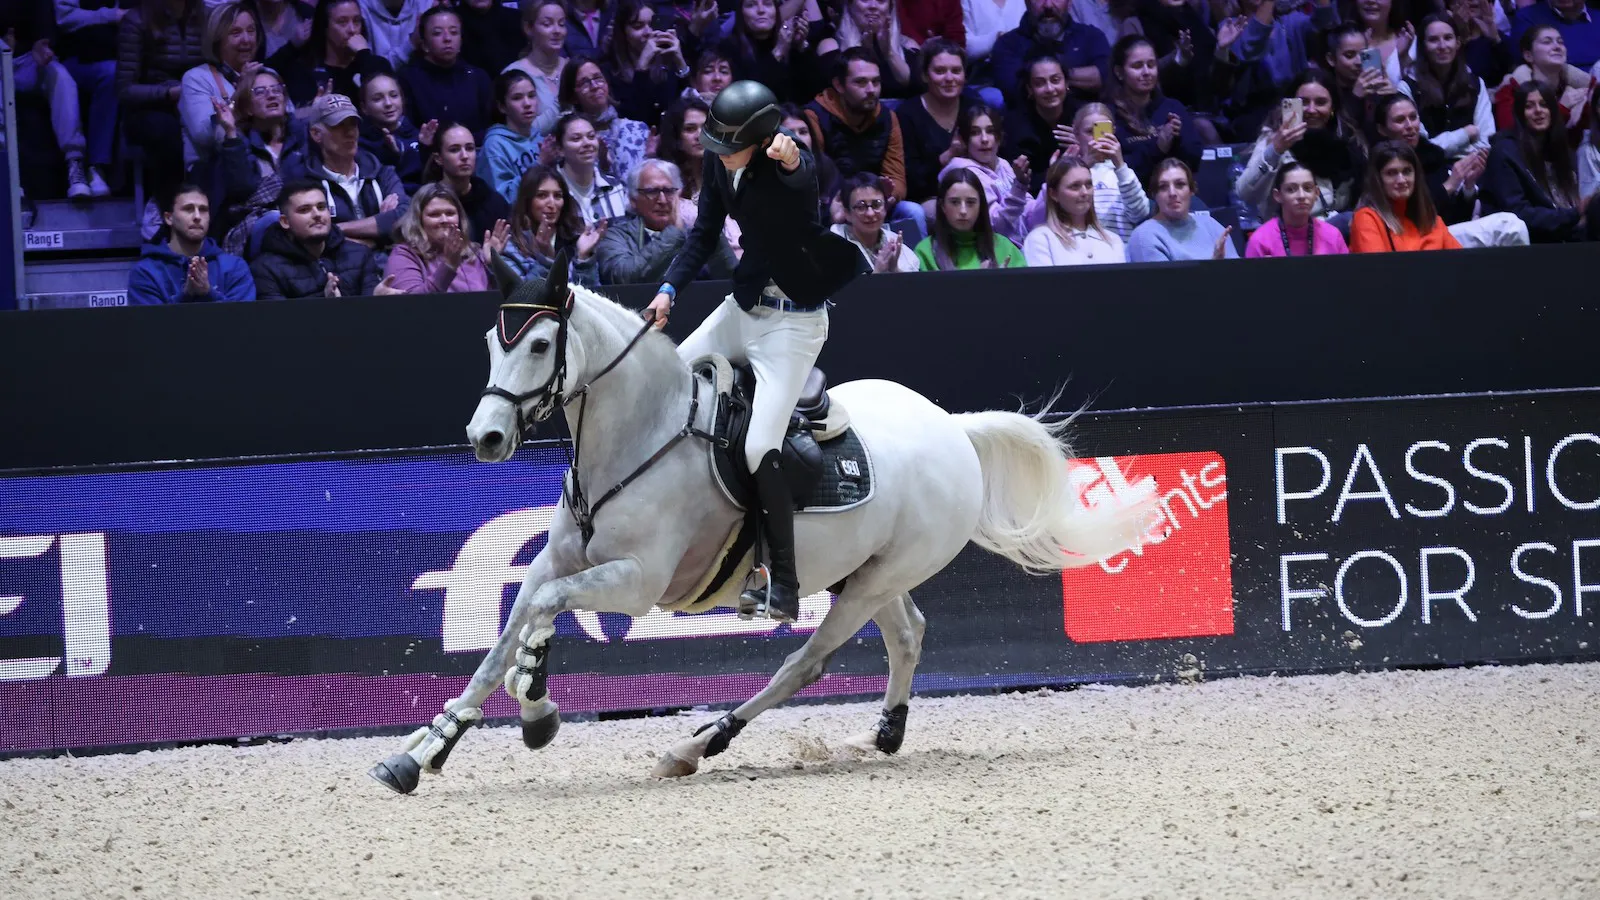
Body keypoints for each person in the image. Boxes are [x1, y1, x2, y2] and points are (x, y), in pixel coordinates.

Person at [644, 80, 870, 623]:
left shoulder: (793, 162)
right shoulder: (722, 165)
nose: (718, 156)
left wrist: (790, 156)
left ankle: (782, 581)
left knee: (760, 444)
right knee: (667, 379)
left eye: (729, 145)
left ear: (763, 136)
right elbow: (701, 236)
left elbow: (799, 179)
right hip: (742, 309)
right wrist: (668, 289)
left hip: (792, 327)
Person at [279, 92, 410, 252]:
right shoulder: (303, 181)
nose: (350, 133)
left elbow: (403, 216)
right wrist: (379, 233)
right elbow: (305, 236)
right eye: (339, 126)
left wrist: (333, 229)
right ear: (316, 134)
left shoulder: (381, 172)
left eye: (353, 124)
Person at [595, 158, 738, 284]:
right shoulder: (616, 236)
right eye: (652, 192)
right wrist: (674, 233)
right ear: (633, 200)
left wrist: (710, 228)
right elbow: (625, 278)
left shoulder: (697, 235)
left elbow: (731, 278)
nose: (662, 200)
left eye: (669, 191)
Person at [1482, 81, 1593, 242]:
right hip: (1527, 243)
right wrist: (1574, 214)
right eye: (1529, 106)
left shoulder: (1563, 152)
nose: (1538, 111)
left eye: (1544, 105)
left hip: (1566, 236)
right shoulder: (1504, 152)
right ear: (1520, 113)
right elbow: (1517, 213)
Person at [250, 178, 392, 298]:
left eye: (321, 207)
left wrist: (377, 300)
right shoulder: (265, 269)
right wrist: (323, 302)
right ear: (285, 222)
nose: (317, 214)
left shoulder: (359, 254)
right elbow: (276, 323)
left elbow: (370, 318)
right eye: (304, 210)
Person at [128, 185, 256, 304]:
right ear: (169, 218)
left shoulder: (234, 268)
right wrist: (185, 295)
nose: (197, 216)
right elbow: (149, 326)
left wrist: (208, 293)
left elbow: (242, 323)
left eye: (203, 210)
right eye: (188, 209)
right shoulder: (145, 272)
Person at [179, 1, 264, 169]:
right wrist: (240, 92)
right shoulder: (196, 78)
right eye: (236, 32)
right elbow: (204, 136)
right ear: (217, 39)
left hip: (263, 170)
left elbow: (287, 121)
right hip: (214, 176)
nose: (246, 39)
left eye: (251, 31)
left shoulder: (265, 75)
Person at [382, 183, 509, 293]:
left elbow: (499, 303)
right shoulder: (404, 255)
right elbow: (412, 306)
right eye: (434, 214)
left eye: (450, 213)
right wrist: (448, 266)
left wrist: (493, 265)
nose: (444, 220)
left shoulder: (474, 254)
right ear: (418, 220)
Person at [1405, 15, 1495, 159]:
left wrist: (1455, 156)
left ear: (1458, 43)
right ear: (1423, 46)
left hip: (1473, 169)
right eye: (1433, 40)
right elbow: (1422, 148)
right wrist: (1465, 134)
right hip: (1428, 172)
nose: (1442, 46)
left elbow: (1486, 143)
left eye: (1448, 38)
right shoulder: (1408, 87)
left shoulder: (1475, 83)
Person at [397, 5, 494, 139]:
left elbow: (491, 127)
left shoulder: (478, 77)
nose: (447, 38)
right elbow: (408, 130)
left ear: (461, 40)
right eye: (437, 33)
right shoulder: (408, 79)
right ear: (424, 44)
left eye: (454, 32)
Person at [1348, 140, 1464, 252]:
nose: (1401, 180)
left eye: (1407, 171)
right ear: (1377, 180)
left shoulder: (1433, 221)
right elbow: (1377, 270)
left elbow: (1463, 265)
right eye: (1391, 173)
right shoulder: (1366, 219)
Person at [501, 163, 605, 285]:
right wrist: (545, 260)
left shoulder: (576, 238)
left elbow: (591, 297)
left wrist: (583, 259)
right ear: (527, 201)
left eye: (557, 196)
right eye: (542, 195)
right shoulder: (510, 246)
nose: (552, 204)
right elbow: (523, 297)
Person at [914, 167, 1029, 269]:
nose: (963, 211)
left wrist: (1002, 284)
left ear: (981, 206)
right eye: (954, 202)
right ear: (943, 206)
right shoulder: (924, 252)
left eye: (971, 202)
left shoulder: (1005, 248)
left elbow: (1025, 290)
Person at [1022, 154, 1127, 265]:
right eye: (1075, 186)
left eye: (1088, 185)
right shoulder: (1041, 239)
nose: (1085, 192)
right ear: (1054, 194)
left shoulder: (1113, 240)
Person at [560, 56, 652, 181]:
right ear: (573, 96)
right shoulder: (574, 140)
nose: (594, 86)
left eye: (598, 78)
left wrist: (653, 156)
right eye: (584, 83)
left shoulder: (637, 129)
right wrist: (603, 165)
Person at [1126, 158, 1238, 260]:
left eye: (1179, 184)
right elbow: (1163, 282)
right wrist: (1214, 265)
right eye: (1163, 187)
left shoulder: (1210, 225)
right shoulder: (1144, 236)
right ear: (1154, 194)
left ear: (1191, 190)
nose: (1172, 193)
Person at [422, 121, 510, 241]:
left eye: (469, 148)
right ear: (439, 158)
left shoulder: (492, 201)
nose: (464, 156)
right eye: (454, 150)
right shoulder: (426, 202)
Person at [1242, 162, 1351, 256]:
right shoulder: (1260, 241)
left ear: (1316, 193)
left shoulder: (1332, 236)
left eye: (1308, 188)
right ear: (1277, 195)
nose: (1301, 196)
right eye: (1291, 189)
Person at [550, 112, 630, 224]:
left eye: (591, 136)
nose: (587, 143)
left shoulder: (616, 187)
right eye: (576, 139)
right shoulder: (549, 192)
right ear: (560, 149)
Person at [503, 0, 568, 137]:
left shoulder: (573, 68)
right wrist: (561, 102)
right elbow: (518, 133)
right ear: (529, 28)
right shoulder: (514, 74)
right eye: (547, 24)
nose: (557, 31)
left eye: (561, 24)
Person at [832, 172, 920, 272]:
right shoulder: (835, 243)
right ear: (847, 213)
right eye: (861, 207)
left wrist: (894, 269)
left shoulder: (895, 242)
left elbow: (912, 286)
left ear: (885, 208)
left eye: (876, 204)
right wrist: (878, 272)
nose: (870, 213)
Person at [358, 73, 430, 194]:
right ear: (364, 107)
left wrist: (427, 151)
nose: (388, 103)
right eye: (377, 99)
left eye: (394, 96)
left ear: (402, 99)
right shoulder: (360, 145)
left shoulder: (420, 136)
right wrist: (389, 156)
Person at [480, 70, 546, 203]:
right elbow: (503, 200)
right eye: (517, 98)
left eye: (532, 95)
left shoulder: (540, 138)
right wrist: (539, 164)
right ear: (502, 107)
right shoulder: (495, 145)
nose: (527, 103)